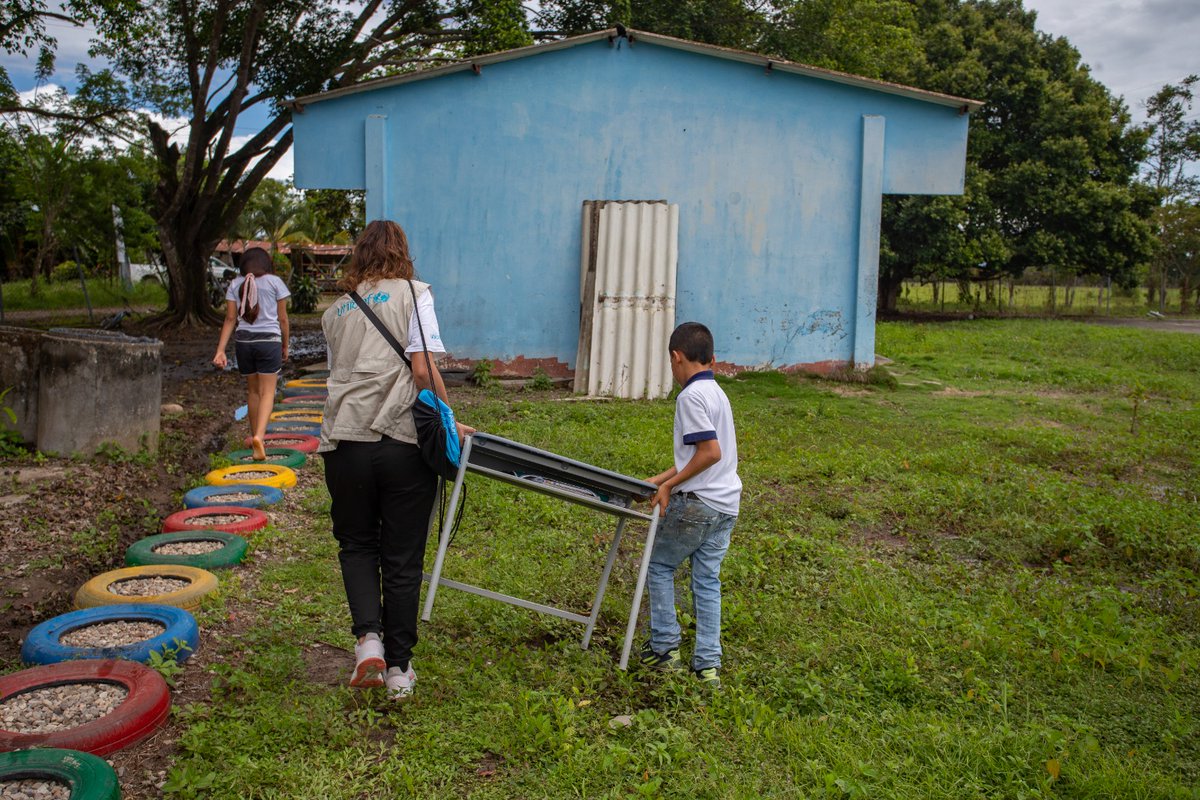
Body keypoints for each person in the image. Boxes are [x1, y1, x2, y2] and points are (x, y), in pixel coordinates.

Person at [319, 219, 473, 701]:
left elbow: (338, 378)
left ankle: (369, 641)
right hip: (401, 441)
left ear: (359, 255)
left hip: (343, 444)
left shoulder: (335, 311)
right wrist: (448, 418)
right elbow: (422, 369)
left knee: (356, 544)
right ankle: (400, 670)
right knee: (402, 557)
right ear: (402, 253)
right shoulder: (414, 293)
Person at [642, 322, 741, 689]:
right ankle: (708, 666)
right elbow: (698, 456)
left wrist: (670, 485)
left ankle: (665, 648)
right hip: (726, 507)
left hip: (698, 505)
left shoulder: (689, 397)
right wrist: (659, 479)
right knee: (706, 581)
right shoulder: (717, 393)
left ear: (676, 357)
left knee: (659, 565)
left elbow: (709, 453)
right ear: (711, 359)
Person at [212, 247, 290, 461]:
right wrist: (285, 345)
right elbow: (283, 319)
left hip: (244, 343)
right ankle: (259, 437)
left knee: (253, 391)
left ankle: (255, 436)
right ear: (266, 264)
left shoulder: (235, 284)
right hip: (268, 342)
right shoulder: (275, 282)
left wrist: (220, 350)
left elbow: (230, 319)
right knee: (268, 392)